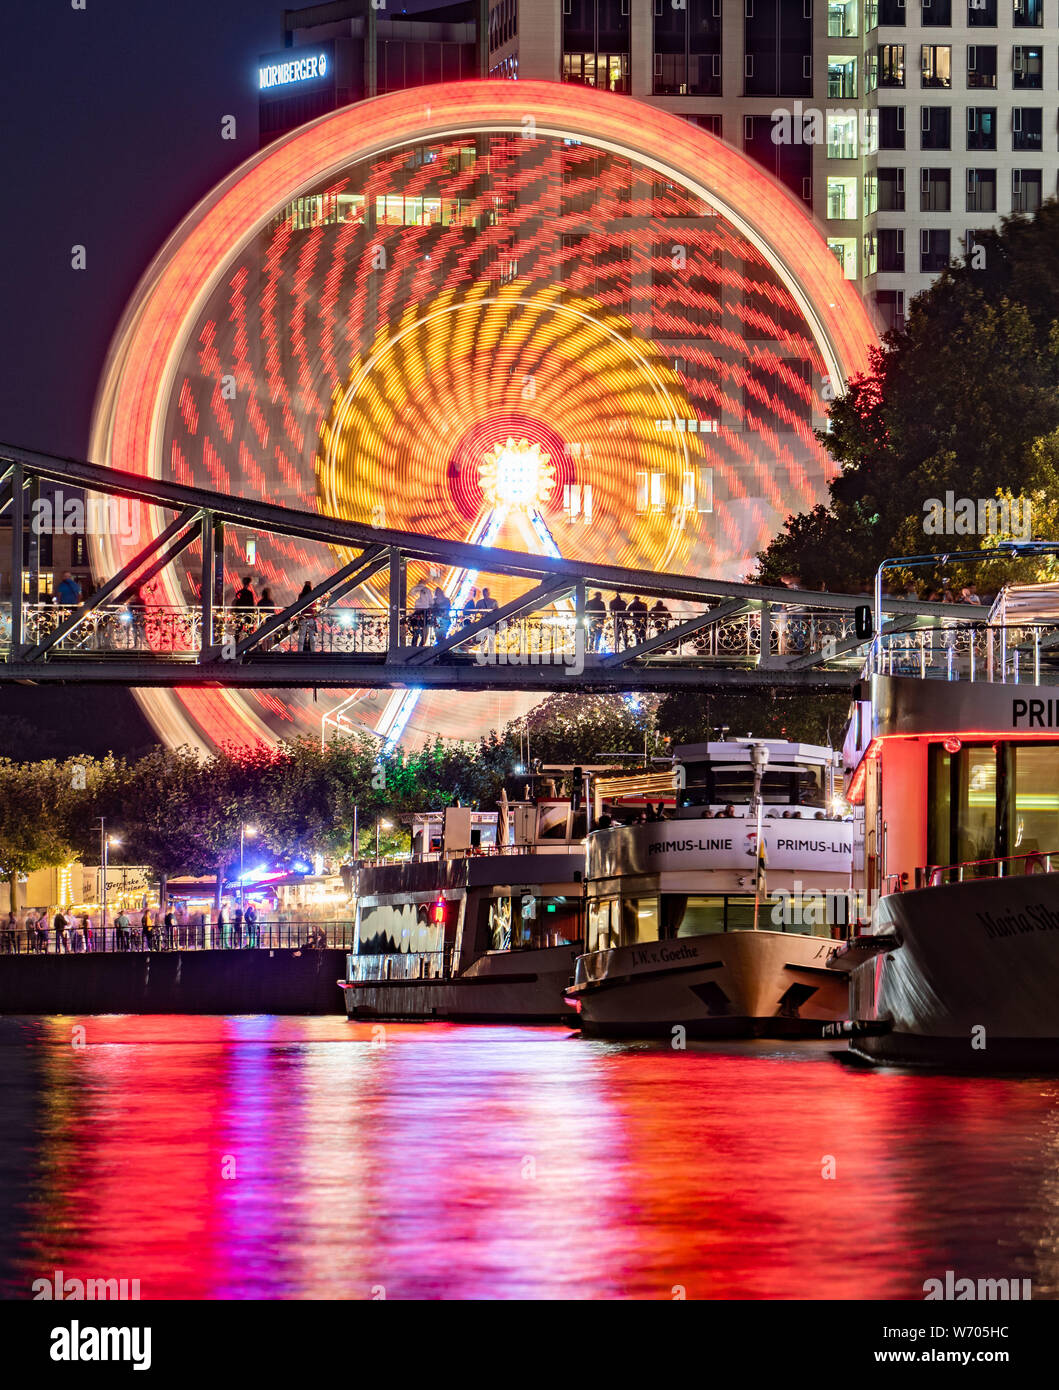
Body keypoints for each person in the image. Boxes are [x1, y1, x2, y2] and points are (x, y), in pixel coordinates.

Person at [297, 581, 319, 653]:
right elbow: (315, 607)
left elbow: (298, 606)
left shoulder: (301, 596)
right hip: (311, 618)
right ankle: (313, 651)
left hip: (303, 618)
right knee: (312, 636)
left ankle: (299, 651)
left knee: (301, 636)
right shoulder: (313, 595)